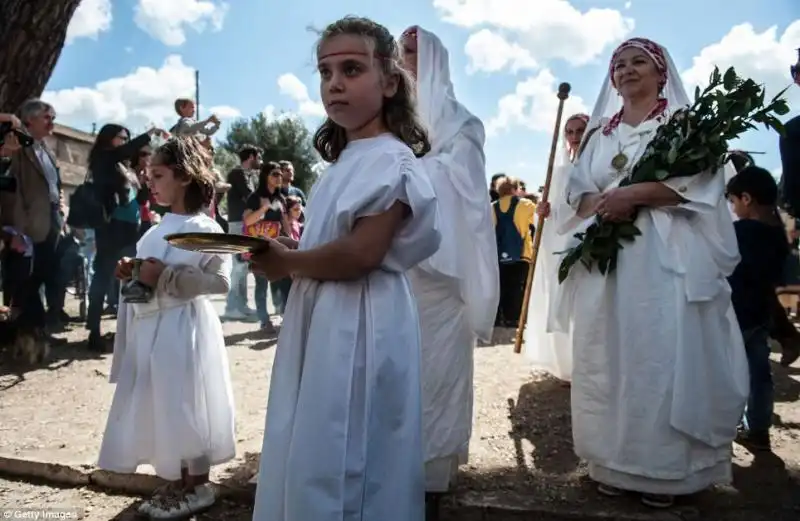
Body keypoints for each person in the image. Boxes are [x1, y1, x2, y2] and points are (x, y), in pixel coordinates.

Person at [249, 16, 440, 521]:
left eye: (352, 69)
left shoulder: (391, 162)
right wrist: (287, 251)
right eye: (326, 71)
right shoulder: (345, 163)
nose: (335, 83)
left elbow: (361, 254)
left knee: (348, 447)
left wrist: (287, 263)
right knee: (315, 434)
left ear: (391, 81)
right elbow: (334, 242)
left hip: (360, 320)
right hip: (327, 311)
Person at [553, 38, 748, 508]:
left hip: (663, 259)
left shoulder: (686, 125)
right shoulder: (600, 134)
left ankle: (665, 472)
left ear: (662, 73)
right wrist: (602, 204)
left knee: (659, 353)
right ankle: (612, 462)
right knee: (609, 353)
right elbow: (577, 192)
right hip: (608, 259)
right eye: (619, 64)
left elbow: (698, 187)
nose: (627, 70)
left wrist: (635, 194)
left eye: (639, 62)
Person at [98, 137, 235, 519]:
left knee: (187, 400)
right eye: (148, 175)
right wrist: (132, 274)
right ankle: (178, 478)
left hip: (183, 331)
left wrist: (168, 275)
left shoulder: (204, 225)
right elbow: (145, 283)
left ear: (186, 177)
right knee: (163, 404)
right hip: (152, 329)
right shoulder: (155, 229)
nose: (150, 182)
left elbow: (220, 283)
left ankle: (199, 484)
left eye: (158, 175)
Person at [399, 25, 499, 502]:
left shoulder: (463, 123)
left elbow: (466, 185)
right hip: (387, 256)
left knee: (437, 367)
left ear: (437, 58)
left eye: (415, 51)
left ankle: (431, 471)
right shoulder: (383, 112)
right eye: (400, 51)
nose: (406, 58)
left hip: (441, 264)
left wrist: (404, 170)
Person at [86, 123, 167, 352]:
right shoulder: (104, 160)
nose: (125, 141)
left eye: (127, 137)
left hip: (131, 228)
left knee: (133, 277)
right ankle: (93, 330)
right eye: (121, 137)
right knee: (102, 277)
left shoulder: (125, 167)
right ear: (108, 139)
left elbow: (139, 200)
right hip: (111, 228)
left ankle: (134, 328)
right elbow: (122, 153)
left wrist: (144, 181)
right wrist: (149, 133)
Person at [725, 166, 789, 451]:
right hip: (761, 315)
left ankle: (729, 423)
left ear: (746, 199)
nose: (733, 208)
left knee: (731, 372)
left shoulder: (738, 233)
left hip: (736, 314)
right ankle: (759, 428)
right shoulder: (779, 236)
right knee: (760, 373)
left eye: (733, 201)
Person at [524, 113, 588, 382]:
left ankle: (586, 363)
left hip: (584, 237)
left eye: (580, 131)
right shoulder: (558, 170)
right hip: (557, 242)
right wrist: (543, 209)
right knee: (559, 298)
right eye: (570, 132)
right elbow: (547, 208)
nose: (574, 137)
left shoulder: (595, 167)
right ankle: (565, 362)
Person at [242, 161, 289, 332]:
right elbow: (247, 221)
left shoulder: (280, 198)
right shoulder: (254, 198)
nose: (279, 177)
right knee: (261, 284)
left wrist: (289, 238)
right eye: (275, 174)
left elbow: (284, 221)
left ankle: (282, 317)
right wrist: (263, 208)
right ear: (265, 176)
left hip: (277, 246)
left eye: (280, 174)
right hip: (259, 247)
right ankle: (264, 320)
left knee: (280, 282)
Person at [492, 176, 535, 327]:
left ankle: (497, 318)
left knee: (500, 286)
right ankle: (513, 319)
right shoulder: (526, 205)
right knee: (517, 287)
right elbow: (537, 221)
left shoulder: (492, 207)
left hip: (498, 254)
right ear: (514, 189)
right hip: (521, 254)